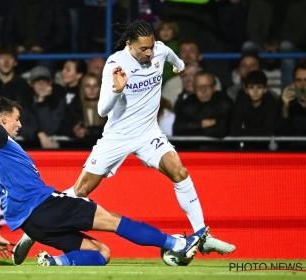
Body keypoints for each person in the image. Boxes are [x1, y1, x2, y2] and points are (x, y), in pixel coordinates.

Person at [0, 97, 210, 266]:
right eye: (16, 119)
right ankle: (177, 245)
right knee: (112, 220)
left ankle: (54, 263)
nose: (19, 125)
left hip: (32, 225)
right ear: (4, 119)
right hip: (45, 206)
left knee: (101, 253)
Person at [55, 20, 233, 255]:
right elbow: (101, 110)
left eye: (151, 47)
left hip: (149, 133)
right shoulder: (116, 63)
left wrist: (179, 65)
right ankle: (39, 220)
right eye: (143, 49)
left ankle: (201, 234)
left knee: (179, 171)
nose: (149, 53)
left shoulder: (159, 49)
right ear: (129, 44)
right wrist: (118, 90)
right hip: (118, 136)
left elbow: (170, 54)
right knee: (81, 190)